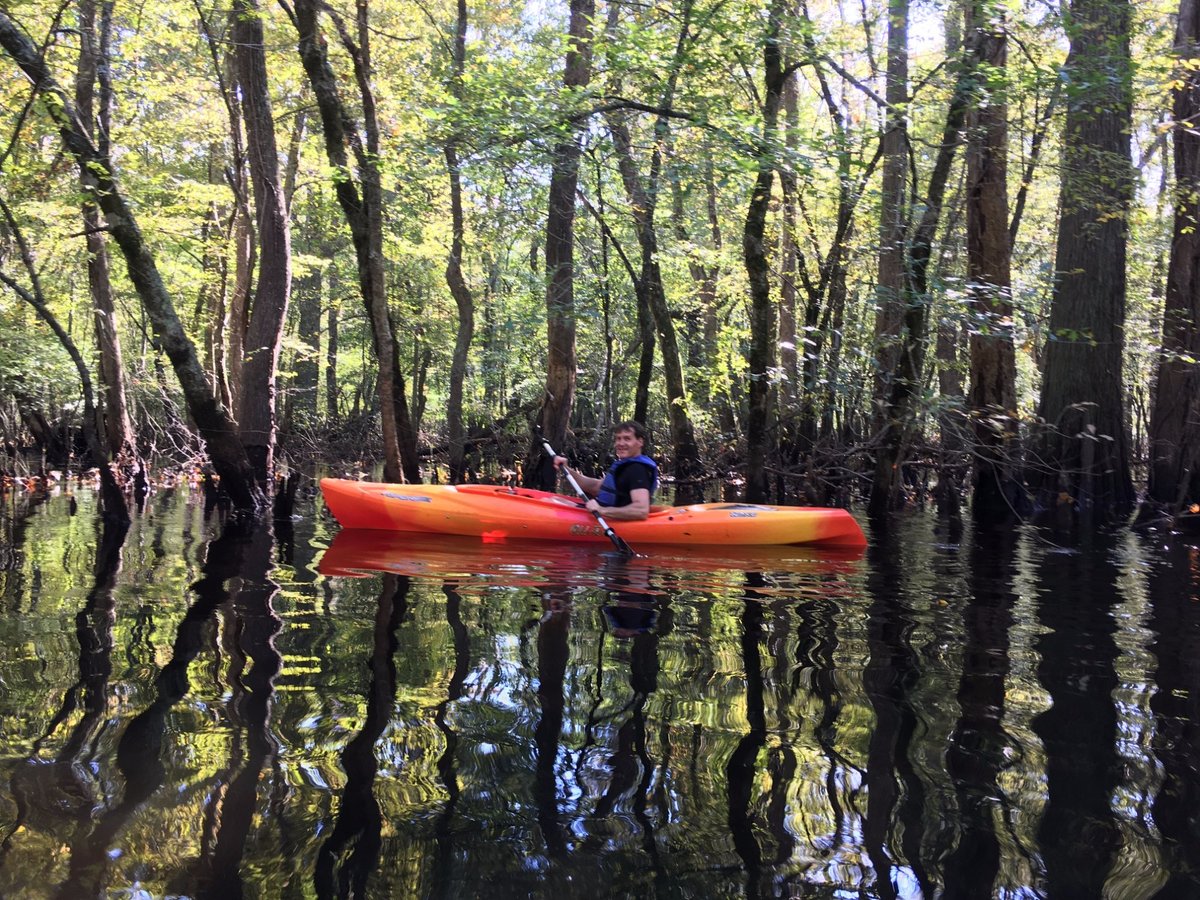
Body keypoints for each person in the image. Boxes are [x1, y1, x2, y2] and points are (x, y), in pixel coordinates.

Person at [552, 421, 658, 521]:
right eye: (618, 439)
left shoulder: (637, 470)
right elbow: (596, 487)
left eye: (627, 439)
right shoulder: (625, 466)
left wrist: (602, 510)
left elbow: (641, 511)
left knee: (550, 502)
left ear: (640, 442)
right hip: (603, 513)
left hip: (609, 518)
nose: (620, 443)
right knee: (554, 500)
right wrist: (567, 470)